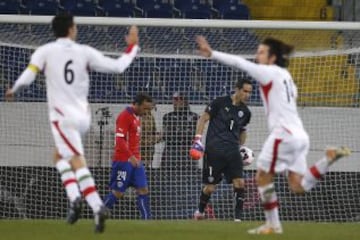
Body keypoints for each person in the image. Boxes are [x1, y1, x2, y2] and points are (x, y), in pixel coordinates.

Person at [195, 36, 351, 234]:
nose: (257, 55)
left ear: (272, 57)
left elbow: (240, 63)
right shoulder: (287, 78)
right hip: (300, 135)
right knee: (298, 186)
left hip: (283, 135)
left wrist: (212, 53)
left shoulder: (269, 72)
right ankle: (327, 160)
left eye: (261, 52)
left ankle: (273, 224)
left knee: (261, 177)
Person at [4, 12, 139, 233]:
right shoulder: (84, 52)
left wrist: (14, 88)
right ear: (71, 29)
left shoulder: (45, 51)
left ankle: (96, 206)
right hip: (83, 116)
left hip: (63, 117)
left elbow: (29, 74)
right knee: (59, 156)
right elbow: (118, 67)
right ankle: (75, 197)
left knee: (75, 159)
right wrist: (132, 47)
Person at [190, 79, 252, 222]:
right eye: (245, 91)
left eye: (250, 92)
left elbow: (242, 131)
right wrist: (197, 140)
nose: (247, 95)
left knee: (240, 183)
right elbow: (203, 119)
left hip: (232, 152)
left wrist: (241, 147)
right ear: (237, 89)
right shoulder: (219, 102)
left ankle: (238, 219)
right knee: (210, 188)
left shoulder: (246, 112)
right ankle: (199, 211)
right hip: (214, 151)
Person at [103, 93, 153, 219]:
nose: (146, 111)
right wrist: (131, 157)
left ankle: (147, 222)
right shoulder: (125, 116)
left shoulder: (137, 117)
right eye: (145, 108)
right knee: (118, 192)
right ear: (136, 104)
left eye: (149, 109)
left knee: (143, 190)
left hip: (136, 161)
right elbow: (119, 140)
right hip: (124, 161)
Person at [161, 91, 199, 218]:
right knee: (169, 185)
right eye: (174, 99)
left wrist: (178, 134)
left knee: (190, 185)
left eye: (179, 99)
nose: (176, 101)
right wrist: (181, 134)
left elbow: (192, 136)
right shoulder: (167, 116)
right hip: (171, 156)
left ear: (185, 100)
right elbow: (168, 136)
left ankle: (192, 212)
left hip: (188, 156)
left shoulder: (194, 116)